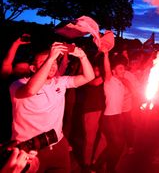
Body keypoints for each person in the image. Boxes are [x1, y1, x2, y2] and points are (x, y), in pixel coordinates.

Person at [9, 42, 95, 172]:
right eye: (44, 62)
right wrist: (50, 58)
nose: (52, 66)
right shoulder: (18, 84)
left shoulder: (59, 82)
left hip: (57, 144)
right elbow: (31, 90)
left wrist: (82, 56)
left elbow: (89, 77)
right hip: (28, 149)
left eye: (55, 62)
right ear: (33, 68)